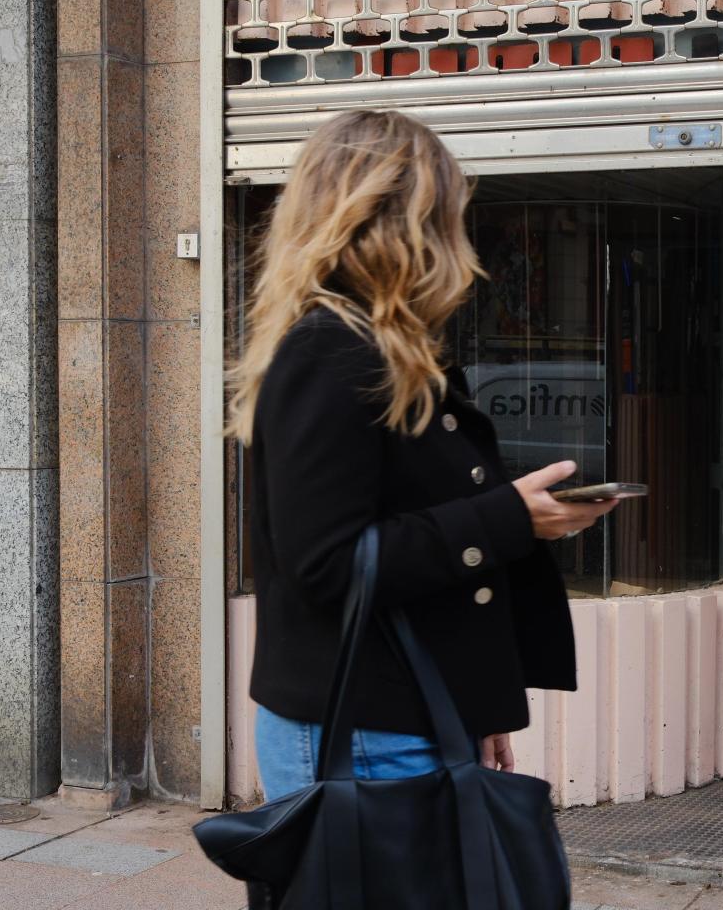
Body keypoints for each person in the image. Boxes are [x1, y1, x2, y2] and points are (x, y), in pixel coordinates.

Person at [227, 110, 621, 806]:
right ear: (402, 221)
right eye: (448, 211)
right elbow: (326, 564)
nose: (461, 236)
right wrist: (507, 518)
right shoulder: (331, 352)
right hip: (362, 730)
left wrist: (480, 704)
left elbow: (416, 530)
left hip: (411, 712)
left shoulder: (394, 351)